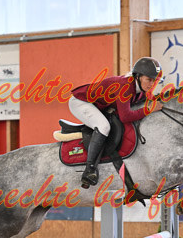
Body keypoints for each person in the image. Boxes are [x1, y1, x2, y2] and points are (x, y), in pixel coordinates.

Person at [69, 57, 164, 188]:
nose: (152, 84)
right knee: (103, 126)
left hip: (98, 105)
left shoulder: (141, 88)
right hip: (81, 102)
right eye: (149, 79)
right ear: (138, 76)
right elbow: (125, 116)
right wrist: (149, 109)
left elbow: (148, 102)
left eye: (154, 80)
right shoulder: (125, 86)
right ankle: (89, 170)